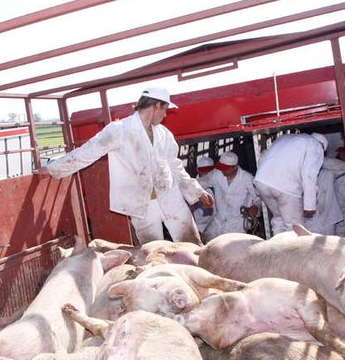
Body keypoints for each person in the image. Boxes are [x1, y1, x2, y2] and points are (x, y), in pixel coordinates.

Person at [34, 87, 214, 245]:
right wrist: (53, 169)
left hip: (171, 198)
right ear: (155, 105)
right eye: (164, 109)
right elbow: (86, 153)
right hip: (142, 205)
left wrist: (197, 191)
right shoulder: (119, 130)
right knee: (153, 254)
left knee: (192, 244)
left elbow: (176, 167)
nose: (165, 115)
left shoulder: (164, 134)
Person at [254, 132, 327, 235]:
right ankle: (296, 250)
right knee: (295, 227)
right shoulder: (316, 145)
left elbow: (263, 157)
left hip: (261, 181)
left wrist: (260, 187)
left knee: (279, 218)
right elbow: (309, 174)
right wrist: (309, 206)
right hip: (285, 186)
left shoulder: (285, 138)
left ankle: (278, 248)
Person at [203, 151, 260, 240]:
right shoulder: (216, 174)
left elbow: (258, 199)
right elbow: (201, 182)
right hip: (219, 220)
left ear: (235, 167)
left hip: (238, 224)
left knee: (234, 250)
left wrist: (256, 208)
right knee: (206, 241)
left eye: (226, 168)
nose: (222, 171)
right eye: (221, 167)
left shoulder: (247, 178)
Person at [303, 157, 345, 235]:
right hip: (307, 221)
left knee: (329, 245)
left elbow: (343, 167)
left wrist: (315, 159)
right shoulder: (298, 174)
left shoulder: (328, 172)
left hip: (328, 219)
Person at [191, 156, 224, 236]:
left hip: (219, 227)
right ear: (198, 170)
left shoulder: (220, 183)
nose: (206, 173)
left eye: (209, 171)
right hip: (200, 228)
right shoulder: (192, 187)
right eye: (203, 171)